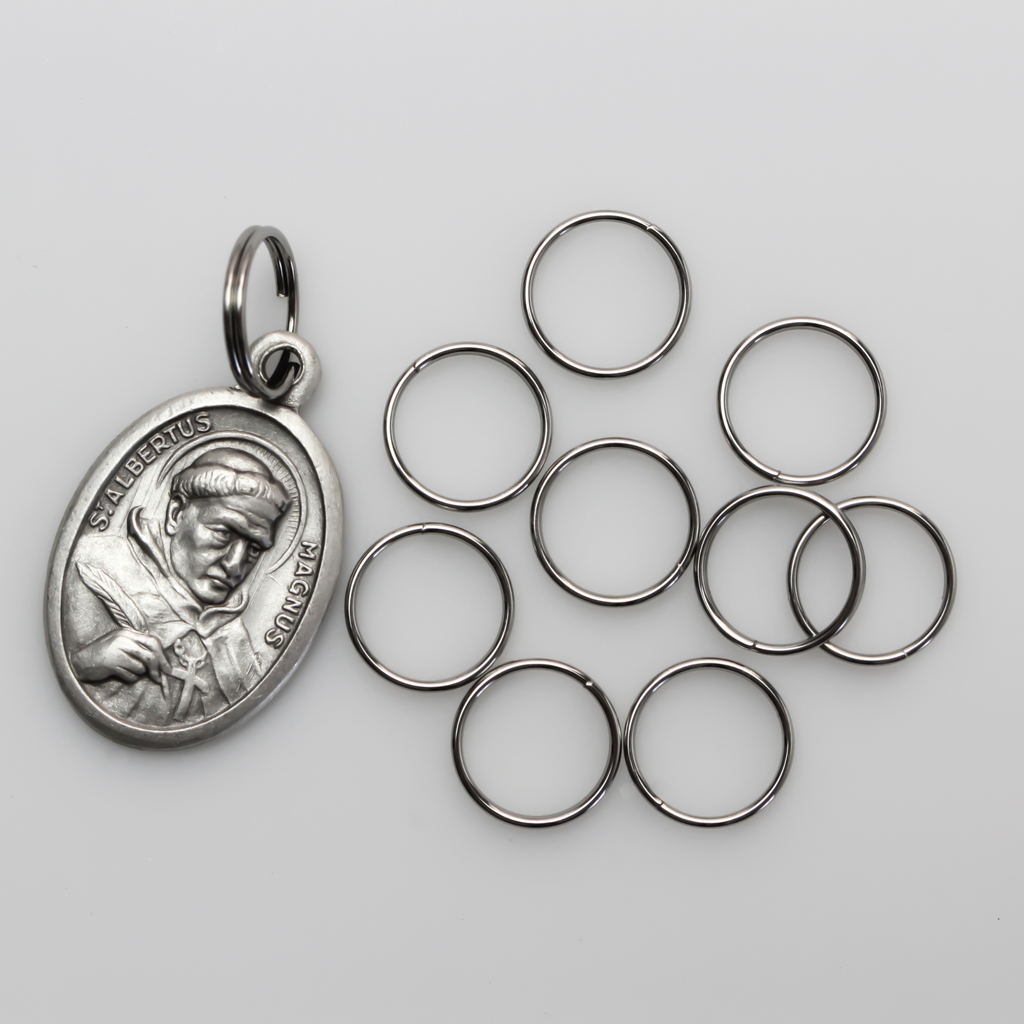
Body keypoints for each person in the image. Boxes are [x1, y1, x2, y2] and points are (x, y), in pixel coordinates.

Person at [66, 448, 290, 726]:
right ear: (176, 513)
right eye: (223, 533)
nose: (235, 565)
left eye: (254, 549)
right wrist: (85, 663)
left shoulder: (232, 636)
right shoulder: (92, 563)